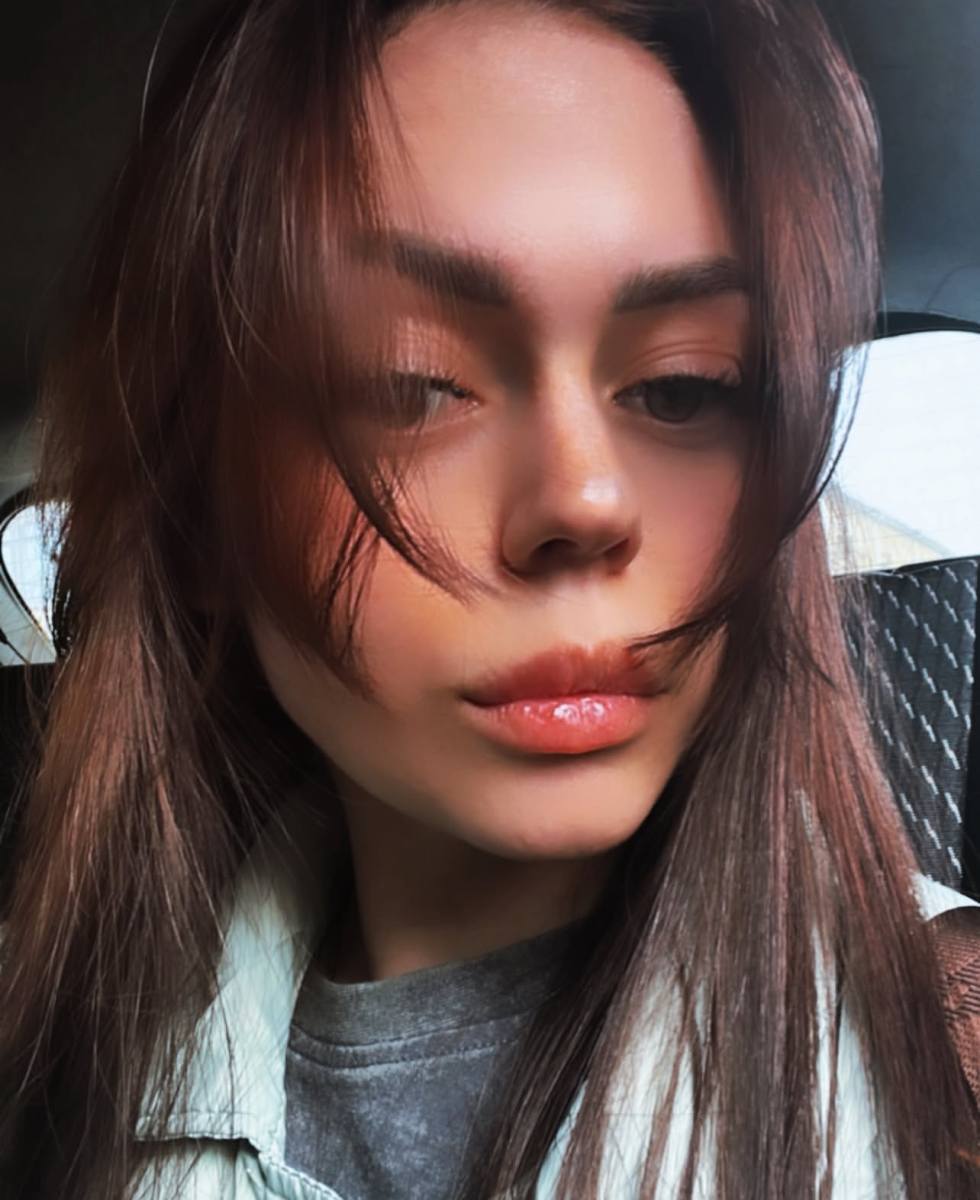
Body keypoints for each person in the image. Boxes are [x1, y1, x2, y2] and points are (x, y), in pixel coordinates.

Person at [0, 0, 977, 1196]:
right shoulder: (53, 1073)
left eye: (683, 387)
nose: (583, 498)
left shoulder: (948, 1045)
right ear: (202, 515)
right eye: (410, 384)